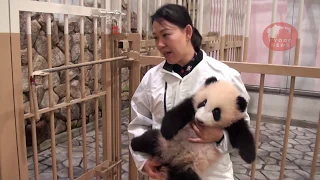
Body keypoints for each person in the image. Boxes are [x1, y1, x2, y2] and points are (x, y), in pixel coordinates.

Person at [128, 3, 250, 180]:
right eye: (155, 37)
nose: (160, 44)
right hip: (164, 172)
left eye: (166, 35)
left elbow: (242, 125)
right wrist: (143, 162)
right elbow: (139, 124)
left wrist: (219, 136)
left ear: (187, 32)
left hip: (211, 174)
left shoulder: (224, 76)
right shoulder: (151, 78)